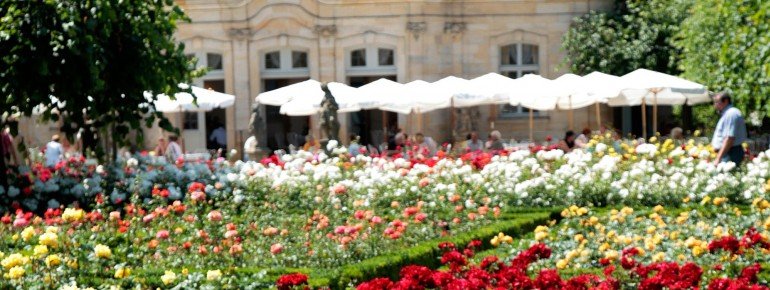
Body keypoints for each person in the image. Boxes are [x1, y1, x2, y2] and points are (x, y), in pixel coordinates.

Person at [711, 92, 747, 166]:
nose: (715, 105)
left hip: (730, 152)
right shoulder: (728, 113)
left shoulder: (731, 113)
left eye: (717, 102)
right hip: (728, 152)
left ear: (726, 101)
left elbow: (729, 138)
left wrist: (718, 158)